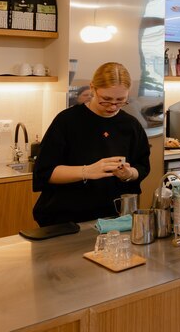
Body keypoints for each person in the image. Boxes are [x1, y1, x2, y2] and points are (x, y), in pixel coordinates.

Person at [33, 62, 151, 226]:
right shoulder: (67, 121)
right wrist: (87, 171)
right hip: (65, 219)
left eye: (120, 100)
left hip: (114, 219)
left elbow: (142, 167)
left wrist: (129, 174)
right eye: (106, 99)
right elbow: (45, 172)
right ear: (93, 88)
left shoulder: (130, 125)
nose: (113, 106)